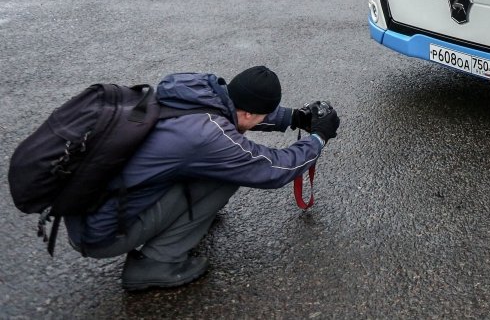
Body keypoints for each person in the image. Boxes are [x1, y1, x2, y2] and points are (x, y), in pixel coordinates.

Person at [64, 66, 340, 292]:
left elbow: (241, 113)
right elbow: (273, 169)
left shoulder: (195, 89)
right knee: (227, 177)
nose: (261, 120)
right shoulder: (209, 136)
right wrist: (318, 138)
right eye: (262, 117)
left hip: (88, 212)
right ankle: (156, 263)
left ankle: (179, 226)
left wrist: (294, 117)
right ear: (247, 112)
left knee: (218, 167)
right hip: (101, 234)